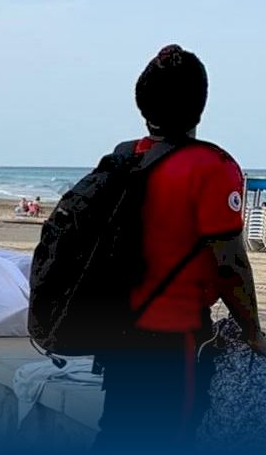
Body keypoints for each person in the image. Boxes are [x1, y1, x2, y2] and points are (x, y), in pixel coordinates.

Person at [94, 45, 265, 449]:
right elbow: (230, 265)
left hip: (117, 330)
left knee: (117, 432)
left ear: (143, 104)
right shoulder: (212, 167)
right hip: (173, 337)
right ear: (200, 106)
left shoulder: (125, 157)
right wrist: (253, 332)